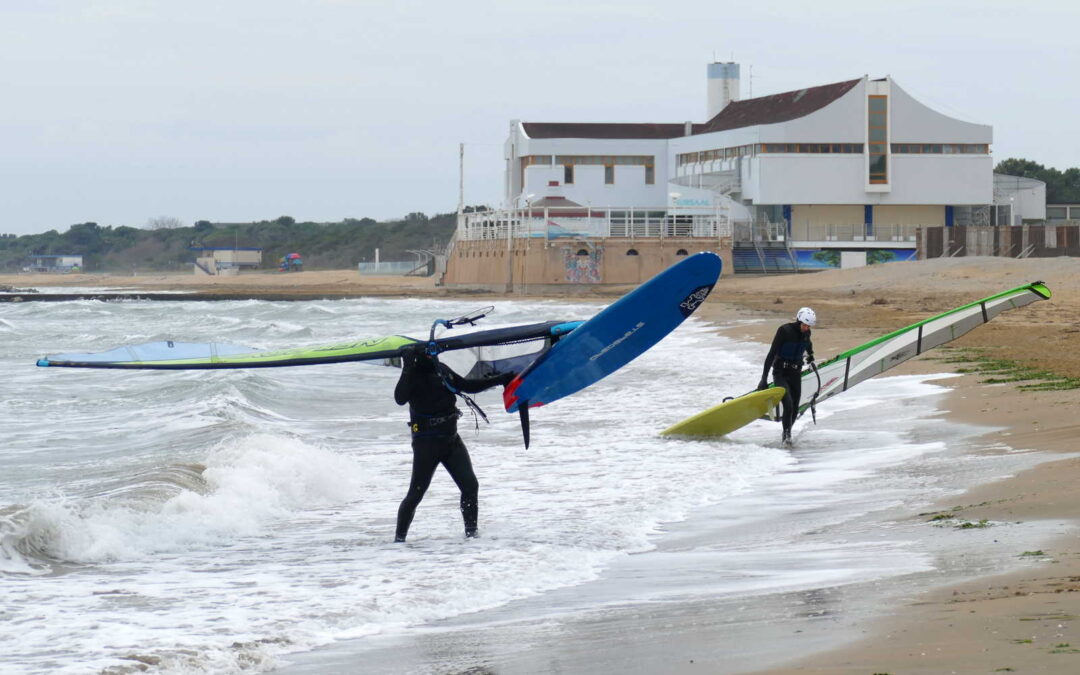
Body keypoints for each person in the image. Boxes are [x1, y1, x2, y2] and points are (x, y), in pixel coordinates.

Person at [392, 345, 514, 542]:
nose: (434, 357)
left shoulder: (442, 370)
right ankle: (399, 540)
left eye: (434, 354)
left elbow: (466, 386)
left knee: (470, 486)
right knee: (415, 494)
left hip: (451, 440)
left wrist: (500, 379)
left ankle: (472, 535)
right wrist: (407, 364)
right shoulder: (413, 375)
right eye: (429, 355)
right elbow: (399, 398)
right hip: (426, 445)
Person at [757, 307, 816, 447]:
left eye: (809, 326)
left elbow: (808, 344)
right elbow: (771, 354)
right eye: (805, 325)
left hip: (795, 374)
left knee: (795, 408)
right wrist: (763, 379)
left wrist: (811, 356)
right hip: (780, 373)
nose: (806, 328)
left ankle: (787, 433)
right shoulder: (784, 331)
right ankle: (787, 437)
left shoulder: (807, 333)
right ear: (799, 321)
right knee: (788, 404)